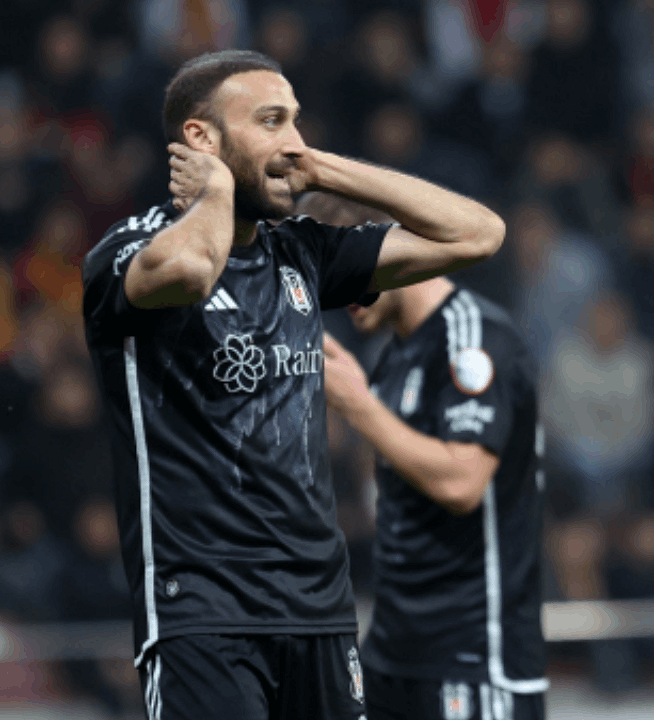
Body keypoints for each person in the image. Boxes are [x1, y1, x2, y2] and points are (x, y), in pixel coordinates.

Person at [79, 50, 505, 720]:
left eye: (296, 122)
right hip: (203, 614)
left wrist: (320, 168)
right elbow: (192, 271)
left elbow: (477, 234)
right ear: (200, 137)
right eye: (271, 122)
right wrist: (216, 194)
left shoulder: (301, 252)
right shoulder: (127, 252)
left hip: (320, 612)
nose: (293, 141)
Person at [307, 193, 546, 720]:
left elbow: (462, 482)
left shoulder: (473, 338)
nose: (339, 295)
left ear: (391, 249)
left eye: (348, 273)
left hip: (472, 659)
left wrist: (358, 405)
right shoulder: (393, 356)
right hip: (396, 654)